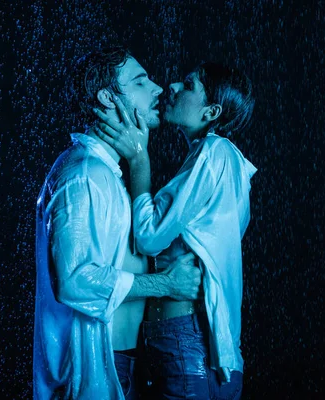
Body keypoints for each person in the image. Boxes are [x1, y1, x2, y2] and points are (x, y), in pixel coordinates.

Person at [33, 47, 202, 400]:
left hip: (119, 364)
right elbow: (73, 280)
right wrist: (165, 284)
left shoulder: (105, 172)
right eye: (140, 81)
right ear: (108, 97)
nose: (158, 88)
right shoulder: (83, 174)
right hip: (92, 371)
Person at [93, 61, 256, 399]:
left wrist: (139, 160)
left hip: (189, 346)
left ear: (211, 111)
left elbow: (150, 238)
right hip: (189, 345)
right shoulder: (221, 160)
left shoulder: (215, 153)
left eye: (188, 84)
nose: (173, 87)